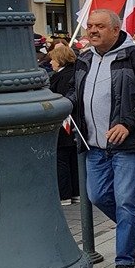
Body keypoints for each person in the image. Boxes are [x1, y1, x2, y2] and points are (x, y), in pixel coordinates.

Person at [66, 9, 135, 268]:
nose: (92, 30)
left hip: (126, 144)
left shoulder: (134, 57)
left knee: (125, 201)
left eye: (99, 26)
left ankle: (124, 258)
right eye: (90, 25)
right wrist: (64, 105)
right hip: (93, 145)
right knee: (96, 195)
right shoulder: (84, 59)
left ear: (116, 30)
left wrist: (127, 124)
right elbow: (75, 92)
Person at [49, 43, 79, 205]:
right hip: (74, 124)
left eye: (53, 59)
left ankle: (65, 195)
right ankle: (77, 192)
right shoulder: (75, 73)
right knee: (73, 160)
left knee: (62, 159)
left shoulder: (61, 78)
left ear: (60, 60)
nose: (51, 62)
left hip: (64, 123)